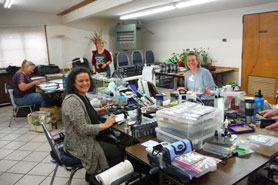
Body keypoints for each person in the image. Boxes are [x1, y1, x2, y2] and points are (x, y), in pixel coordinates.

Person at [62, 67, 124, 181]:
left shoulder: (81, 95)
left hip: (84, 138)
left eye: (87, 80)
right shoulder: (72, 101)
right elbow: (83, 128)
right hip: (79, 144)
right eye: (81, 81)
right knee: (117, 151)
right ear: (73, 83)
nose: (85, 83)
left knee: (115, 141)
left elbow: (82, 112)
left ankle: (94, 175)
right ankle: (103, 179)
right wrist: (105, 125)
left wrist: (96, 111)